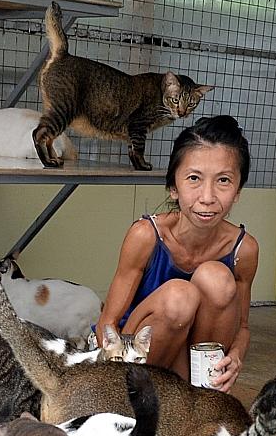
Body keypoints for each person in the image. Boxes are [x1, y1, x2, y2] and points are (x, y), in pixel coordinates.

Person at [96, 115, 258, 393]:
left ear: (238, 190)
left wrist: (237, 357)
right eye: (194, 178)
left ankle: (200, 396)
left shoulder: (244, 249)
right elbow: (107, 323)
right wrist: (109, 375)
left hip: (192, 360)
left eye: (223, 180)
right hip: (138, 357)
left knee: (216, 278)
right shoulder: (145, 235)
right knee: (179, 297)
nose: (207, 197)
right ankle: (136, 400)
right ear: (173, 187)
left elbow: (242, 327)